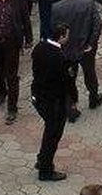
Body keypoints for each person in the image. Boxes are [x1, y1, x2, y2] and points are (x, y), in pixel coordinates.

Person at [32, 22, 76, 180]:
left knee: (49, 130)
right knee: (53, 134)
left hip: (37, 95)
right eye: (67, 36)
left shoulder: (39, 48)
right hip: (52, 101)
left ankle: (42, 159)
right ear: (62, 37)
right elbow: (66, 82)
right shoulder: (60, 57)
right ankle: (45, 169)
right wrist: (73, 99)